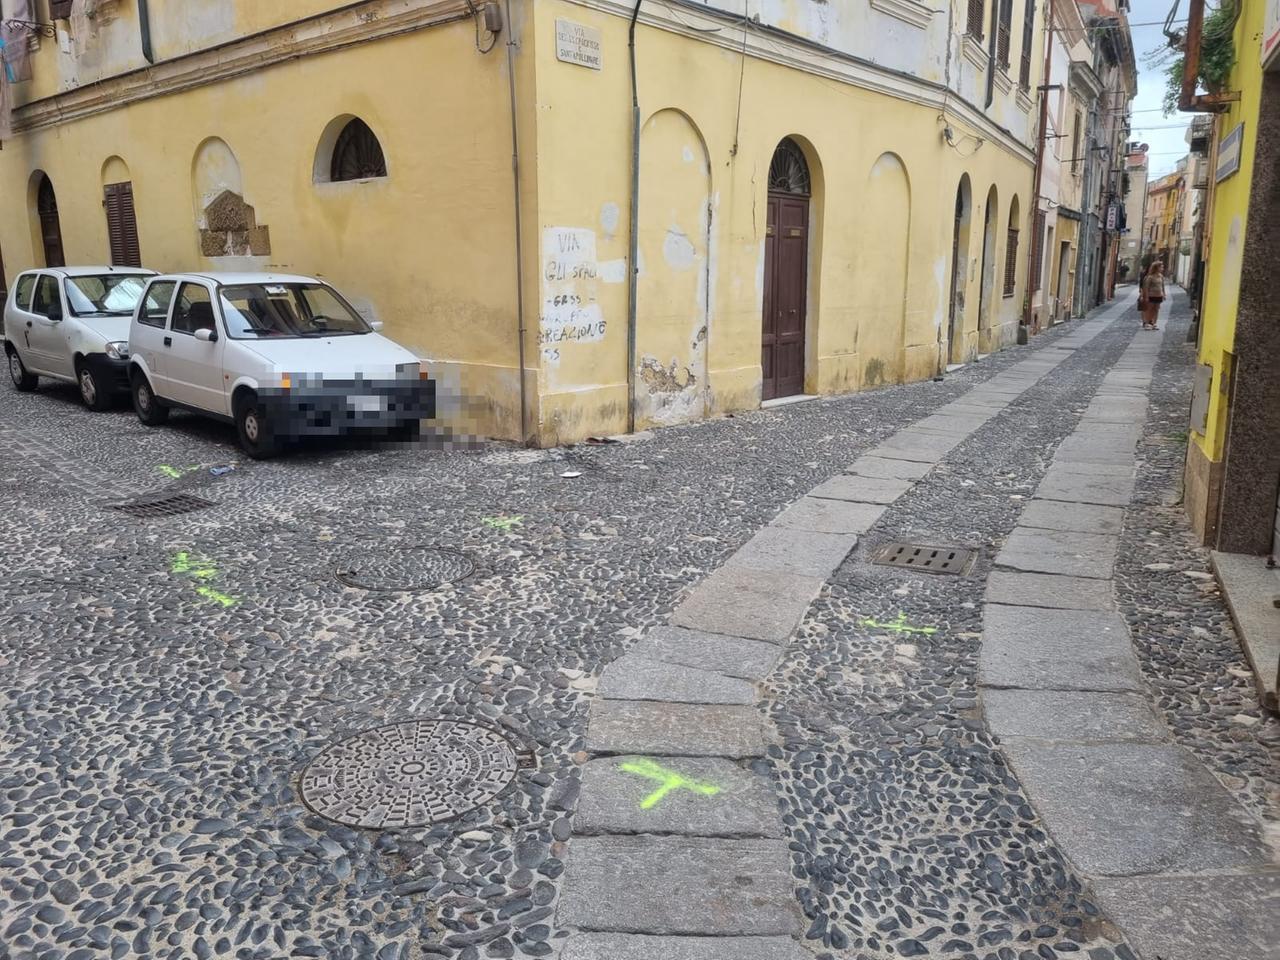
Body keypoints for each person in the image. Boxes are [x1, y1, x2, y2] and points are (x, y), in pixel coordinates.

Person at [1140, 261, 1165, 330]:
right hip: (1151, 295)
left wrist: (1164, 294)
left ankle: (1154, 323)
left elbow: (1162, 286)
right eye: (1161, 267)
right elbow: (1146, 287)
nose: (1162, 268)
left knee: (1156, 309)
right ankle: (1147, 323)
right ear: (1156, 268)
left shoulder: (1161, 276)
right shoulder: (1150, 277)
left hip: (1159, 295)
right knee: (1149, 309)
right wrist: (1146, 296)